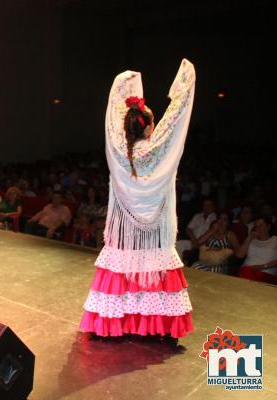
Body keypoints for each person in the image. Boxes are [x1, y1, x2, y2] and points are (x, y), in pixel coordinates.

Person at [79, 59, 196, 342]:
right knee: (155, 266)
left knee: (124, 263)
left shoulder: (119, 150)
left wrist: (123, 87)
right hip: (156, 228)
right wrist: (184, 88)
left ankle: (115, 323)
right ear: (147, 128)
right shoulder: (158, 151)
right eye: (152, 122)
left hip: (126, 231)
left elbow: (112, 121)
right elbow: (174, 124)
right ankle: (159, 325)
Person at [236, 216, 277, 284]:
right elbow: (239, 255)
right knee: (246, 271)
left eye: (261, 225)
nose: (258, 228)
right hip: (247, 270)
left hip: (266, 272)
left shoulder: (275, 240)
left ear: (268, 227)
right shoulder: (251, 239)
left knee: (247, 274)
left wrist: (262, 267)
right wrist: (249, 238)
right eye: (256, 226)